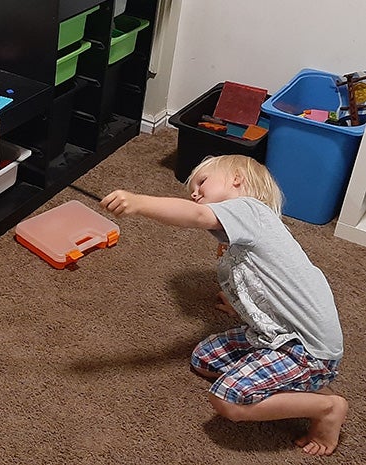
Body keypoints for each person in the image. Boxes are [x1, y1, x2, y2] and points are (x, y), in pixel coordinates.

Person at [100, 154, 347, 456]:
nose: (194, 193)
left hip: (307, 350)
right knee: (204, 358)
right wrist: (240, 306)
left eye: (201, 182)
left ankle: (327, 407)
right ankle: (281, 381)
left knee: (227, 399)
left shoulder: (251, 210)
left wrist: (140, 203)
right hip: (274, 333)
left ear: (237, 179)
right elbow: (262, 282)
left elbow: (197, 216)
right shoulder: (247, 232)